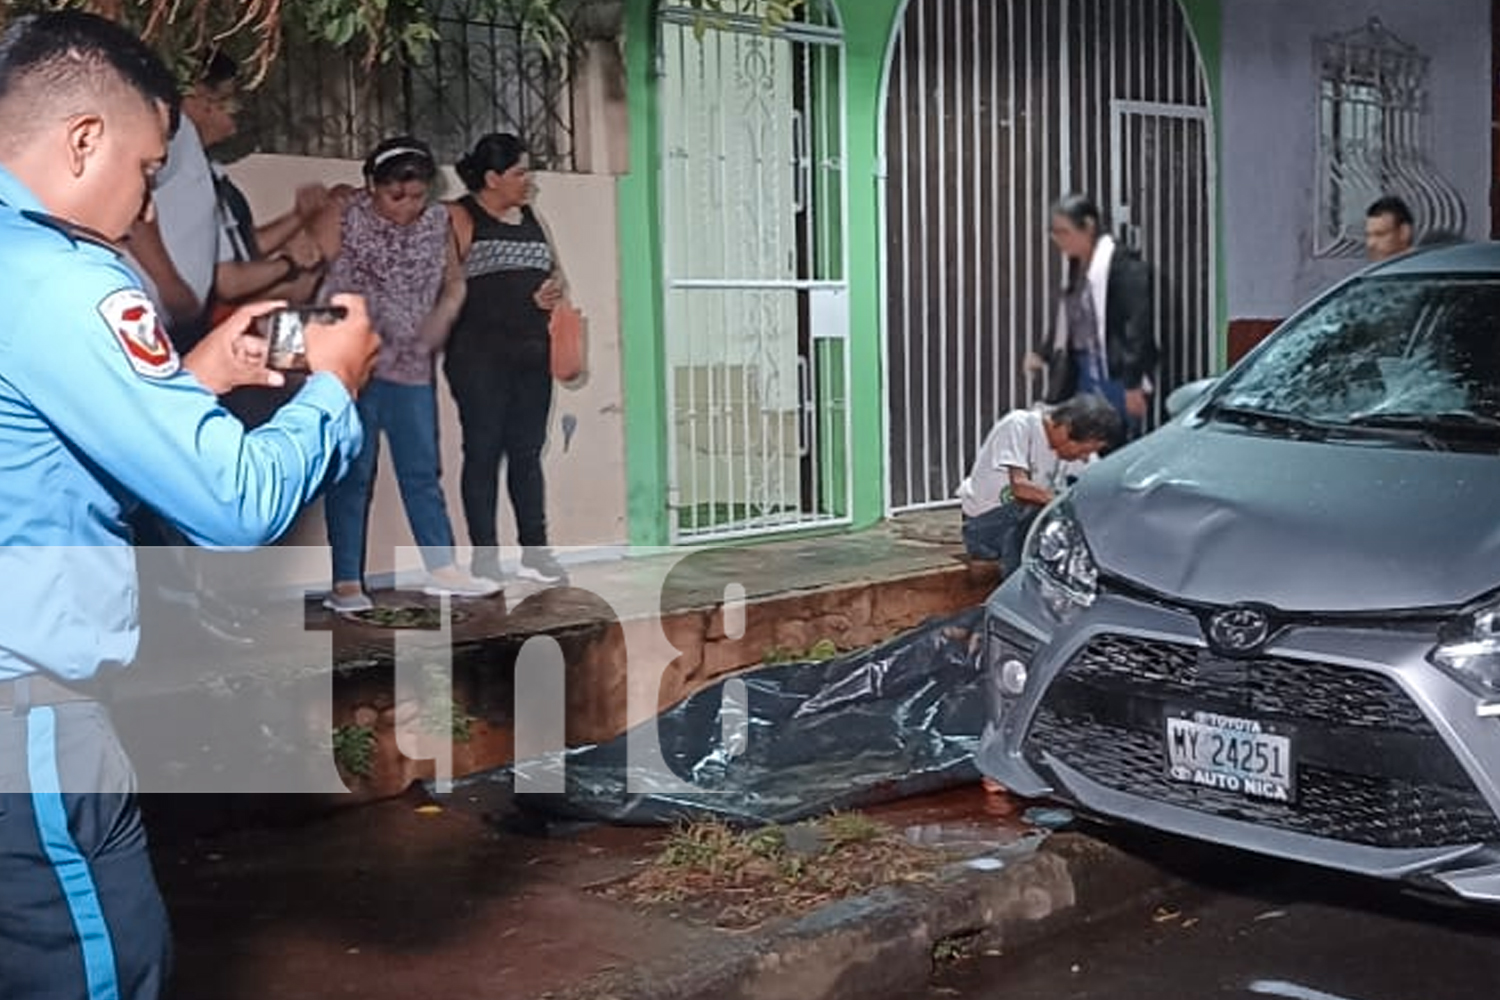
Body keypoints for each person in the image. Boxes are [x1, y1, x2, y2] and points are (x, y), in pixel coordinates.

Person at [0, 12, 379, 1000]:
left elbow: (37, 458)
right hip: (27, 722)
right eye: (147, 166)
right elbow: (235, 503)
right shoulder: (66, 282)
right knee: (99, 972)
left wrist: (197, 377)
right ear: (84, 139)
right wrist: (334, 385)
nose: (142, 203)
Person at [314, 135, 499, 611]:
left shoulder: (439, 221)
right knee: (353, 473)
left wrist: (447, 311)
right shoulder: (347, 211)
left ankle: (442, 569)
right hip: (354, 361)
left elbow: (454, 280)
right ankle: (346, 584)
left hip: (411, 365)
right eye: (397, 196)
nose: (408, 206)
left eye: (418, 195)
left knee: (421, 472)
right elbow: (315, 262)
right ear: (372, 186)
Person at [445, 133, 570, 585]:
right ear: (492, 177)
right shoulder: (459, 216)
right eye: (519, 172)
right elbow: (446, 287)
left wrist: (551, 291)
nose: (527, 180)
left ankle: (535, 552)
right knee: (482, 454)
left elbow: (554, 272)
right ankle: (484, 558)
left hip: (531, 355)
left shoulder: (532, 217)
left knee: (526, 453)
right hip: (478, 358)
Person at [1028, 194, 1156, 437]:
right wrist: (1044, 352)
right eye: (1054, 233)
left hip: (1114, 375)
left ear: (1088, 226)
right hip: (1082, 373)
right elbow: (1071, 318)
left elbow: (1136, 326)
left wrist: (1132, 384)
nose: (1057, 240)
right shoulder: (1078, 267)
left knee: (1112, 439)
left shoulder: (1122, 266)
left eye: (1063, 232)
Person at [957, 395, 1121, 573]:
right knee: (1037, 509)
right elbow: (1019, 487)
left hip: (1027, 528)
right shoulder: (1019, 425)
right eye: (1084, 450)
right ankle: (1018, 588)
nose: (1085, 457)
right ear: (1065, 429)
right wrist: (1063, 503)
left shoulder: (1075, 447)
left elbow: (1100, 483)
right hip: (985, 528)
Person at [1365, 195, 1415, 262]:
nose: (1370, 244)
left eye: (1380, 235)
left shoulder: (1423, 269)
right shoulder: (1364, 270)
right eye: (1368, 235)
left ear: (1404, 232)